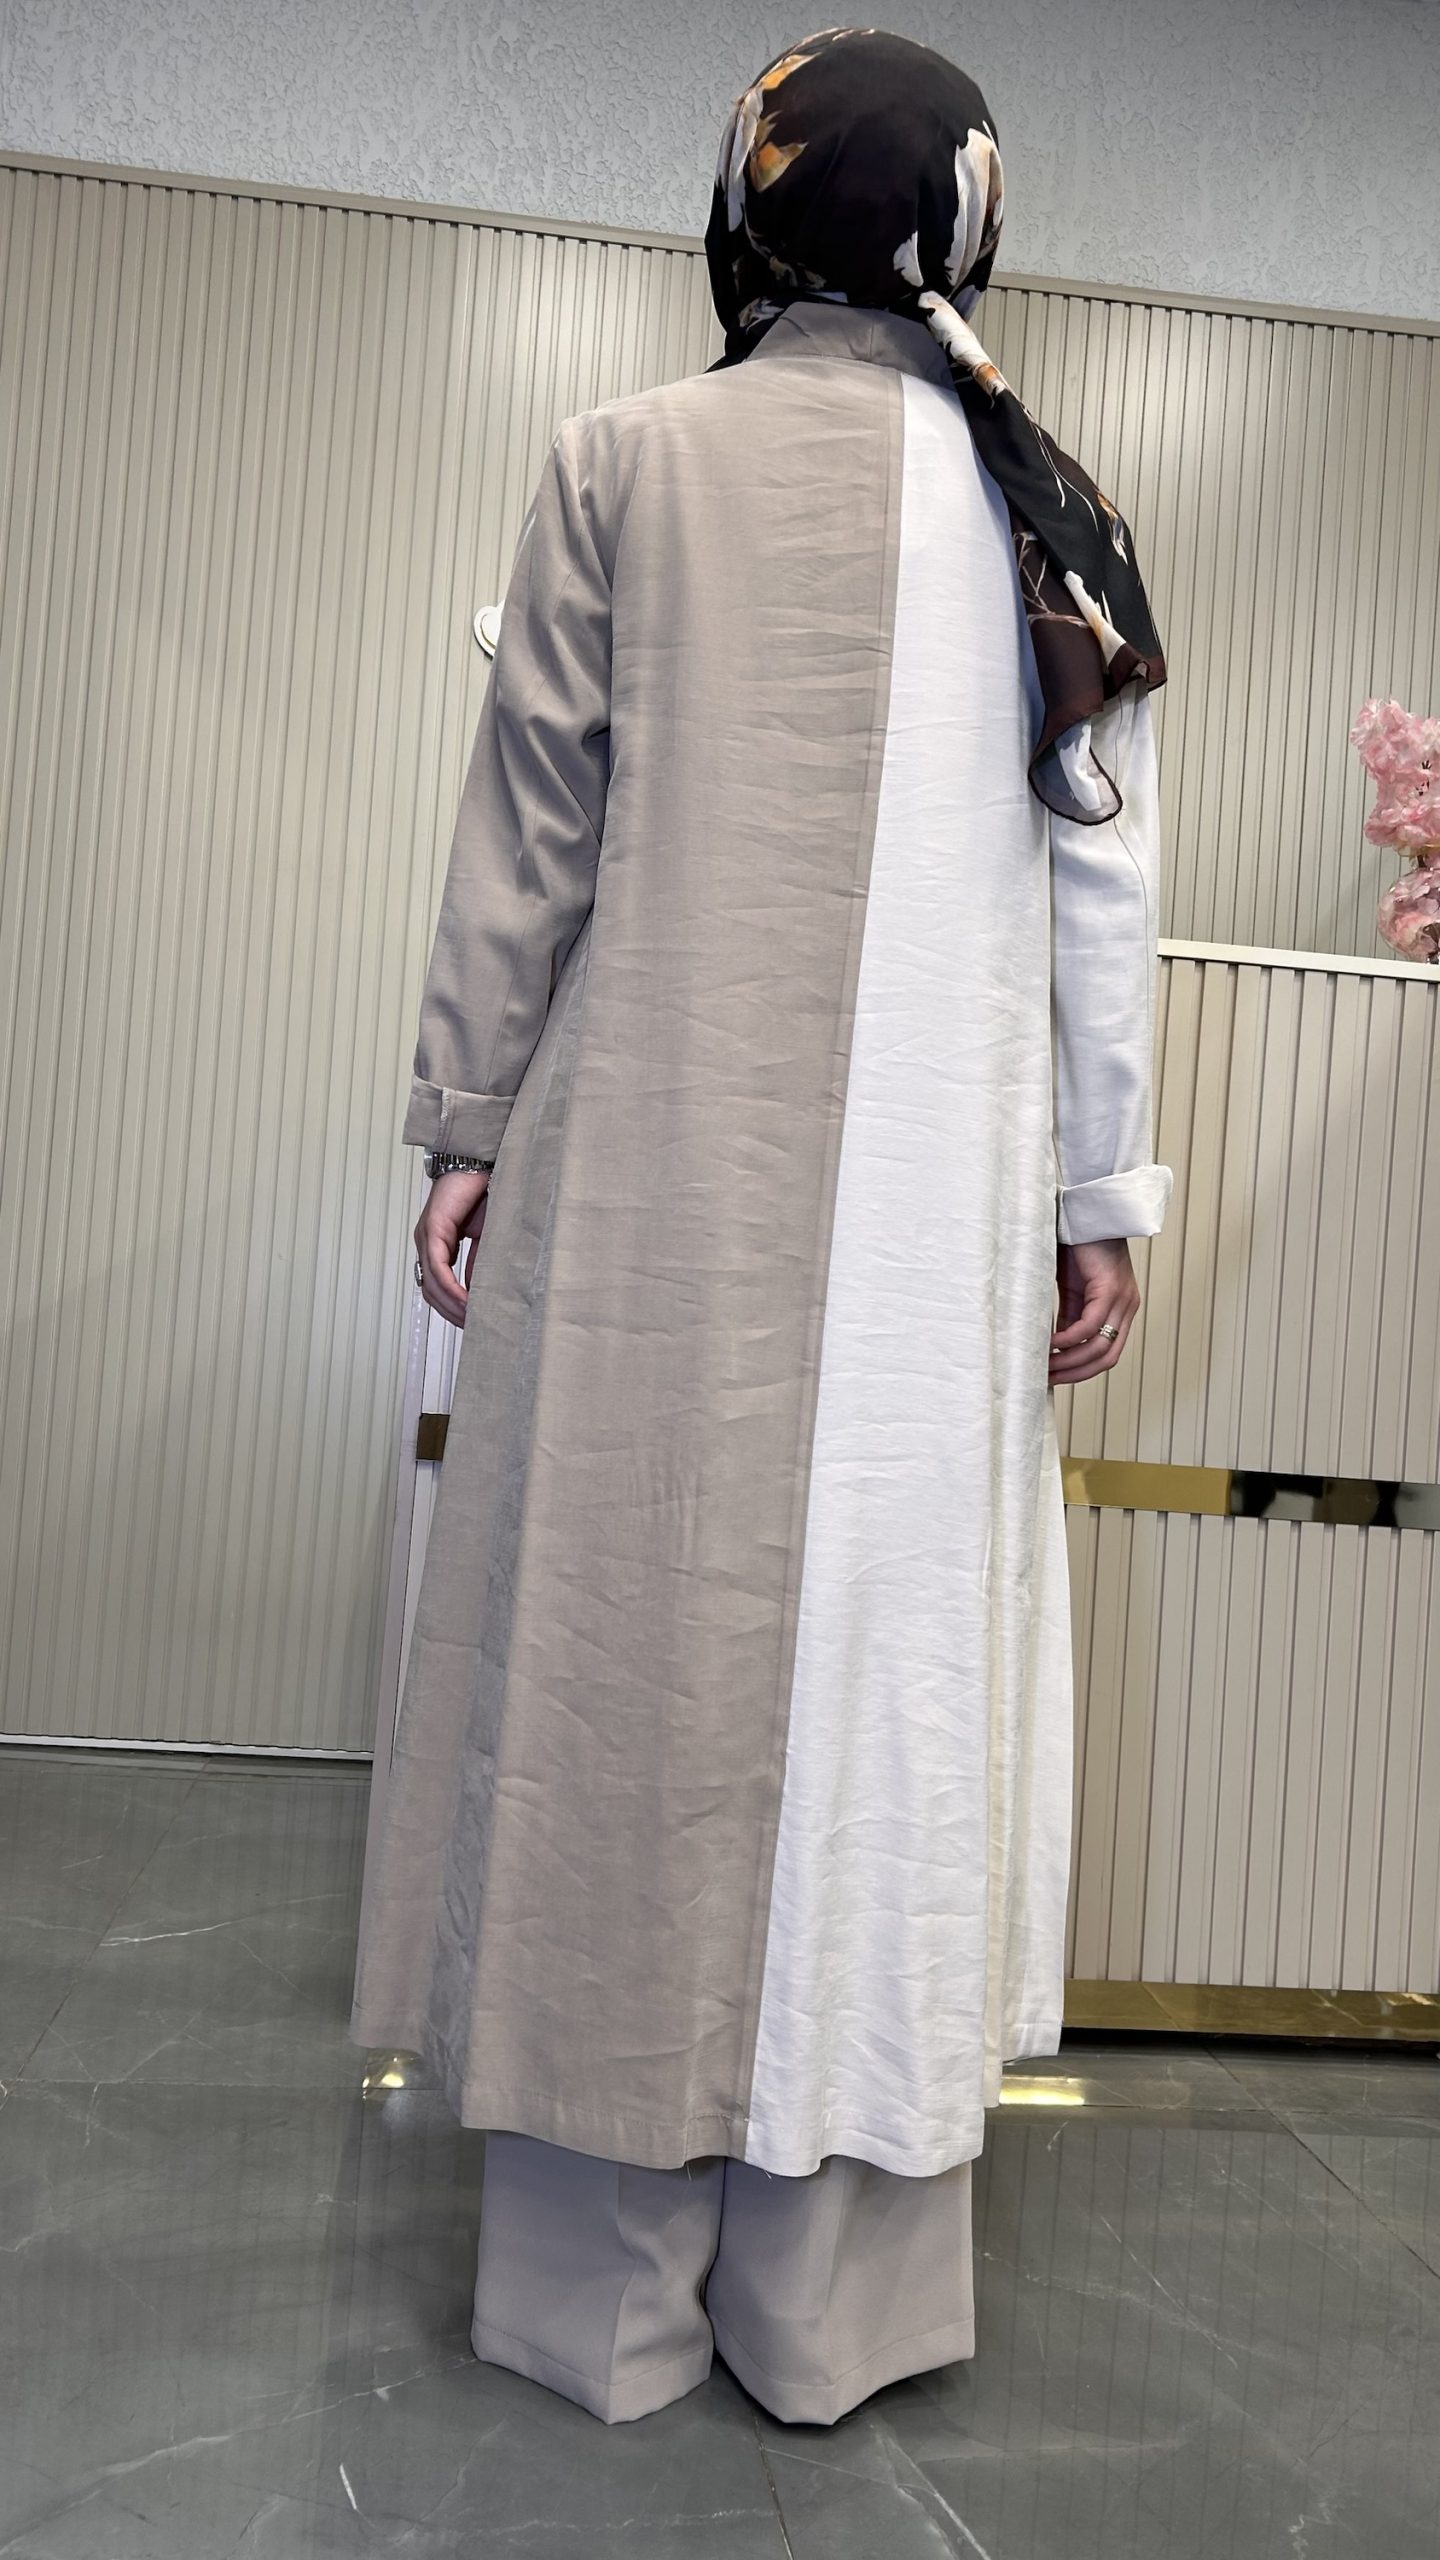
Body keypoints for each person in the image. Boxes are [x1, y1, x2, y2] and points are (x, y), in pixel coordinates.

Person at [350, 25, 1174, 2427]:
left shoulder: (623, 458)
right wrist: (1095, 1191)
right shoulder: (1052, 510)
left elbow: (532, 830)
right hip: (937, 1211)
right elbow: (1102, 890)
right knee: (885, 1704)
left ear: (750, 203)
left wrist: (466, 1120)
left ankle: (596, 2301)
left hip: (652, 1188)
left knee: (622, 1668)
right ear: (970, 219)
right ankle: (836, 2314)